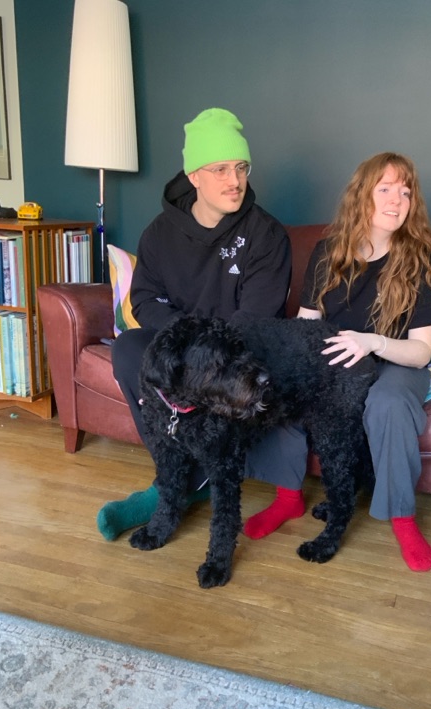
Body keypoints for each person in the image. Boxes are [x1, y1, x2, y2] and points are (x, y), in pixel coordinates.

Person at [243, 152, 431, 571]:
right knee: (284, 385)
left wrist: (373, 343)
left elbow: (421, 351)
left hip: (395, 362)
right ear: (362, 195)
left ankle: (403, 519)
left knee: (389, 404)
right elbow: (306, 324)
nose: (396, 200)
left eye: (405, 192)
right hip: (335, 363)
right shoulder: (328, 251)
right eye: (385, 189)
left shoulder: (423, 260)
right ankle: (288, 497)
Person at [97, 108, 292, 541]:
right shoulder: (159, 234)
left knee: (225, 369)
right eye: (220, 169)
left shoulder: (266, 235)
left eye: (241, 167)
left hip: (238, 357)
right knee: (130, 348)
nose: (234, 180)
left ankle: (175, 488)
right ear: (194, 176)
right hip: (186, 349)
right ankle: (178, 472)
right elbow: (144, 298)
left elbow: (255, 320)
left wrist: (203, 351)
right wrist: (185, 342)